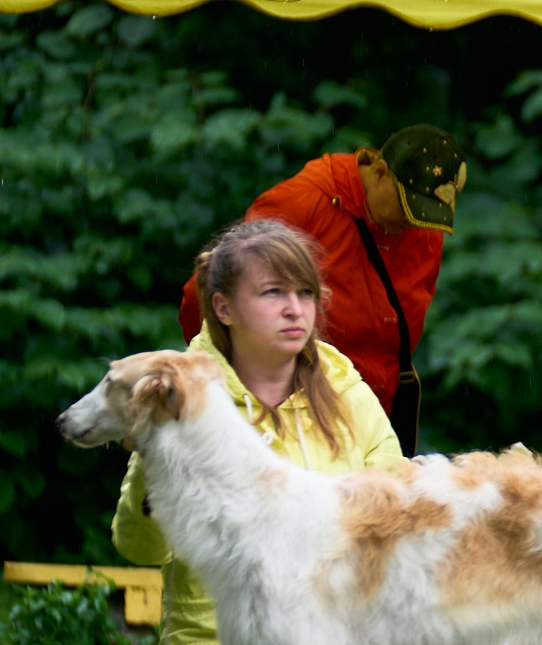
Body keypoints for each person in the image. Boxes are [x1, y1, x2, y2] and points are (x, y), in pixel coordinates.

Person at [125, 222, 410, 645]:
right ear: (222, 308)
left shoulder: (339, 378)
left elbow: (395, 502)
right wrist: (153, 460)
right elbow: (139, 547)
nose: (295, 311)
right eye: (274, 293)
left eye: (306, 294)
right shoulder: (181, 389)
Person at [178, 126, 464, 456]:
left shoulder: (423, 228)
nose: (414, 225)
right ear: (380, 172)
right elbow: (205, 303)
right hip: (292, 423)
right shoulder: (303, 203)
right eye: (408, 208)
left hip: (373, 423)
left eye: (425, 215)